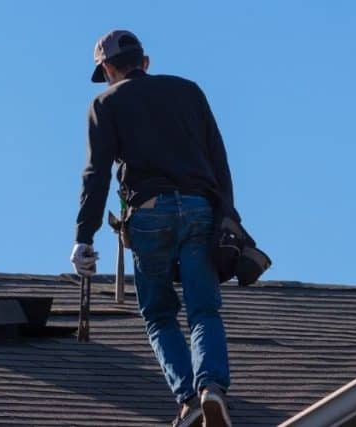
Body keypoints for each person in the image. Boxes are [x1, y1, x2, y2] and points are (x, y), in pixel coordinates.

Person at [70, 29, 236, 427]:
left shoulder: (105, 103)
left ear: (109, 68)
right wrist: (228, 215)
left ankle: (187, 400)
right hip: (200, 207)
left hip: (148, 212)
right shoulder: (189, 91)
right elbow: (218, 157)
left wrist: (83, 237)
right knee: (204, 309)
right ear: (145, 62)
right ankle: (211, 386)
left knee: (160, 315)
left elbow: (97, 175)